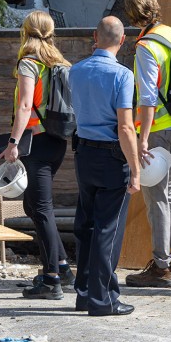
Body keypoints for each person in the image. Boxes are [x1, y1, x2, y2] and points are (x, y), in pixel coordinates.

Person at [122, 0, 171, 288]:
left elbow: (148, 97)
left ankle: (161, 267)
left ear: (131, 14)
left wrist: (142, 138)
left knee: (157, 200)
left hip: (159, 130)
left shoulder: (146, 46)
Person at [68, 16, 140, 316]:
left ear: (94, 37)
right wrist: (135, 170)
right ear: (122, 41)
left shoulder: (76, 70)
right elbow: (125, 127)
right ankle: (103, 300)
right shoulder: (122, 75)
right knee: (107, 229)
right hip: (112, 155)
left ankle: (84, 294)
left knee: (86, 224)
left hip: (84, 152)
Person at [1, 11, 76, 300]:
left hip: (35, 142)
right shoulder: (60, 63)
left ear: (26, 32)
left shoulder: (29, 62)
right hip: (56, 141)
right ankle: (61, 267)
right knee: (33, 206)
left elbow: (24, 106)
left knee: (41, 208)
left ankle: (51, 281)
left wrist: (13, 142)